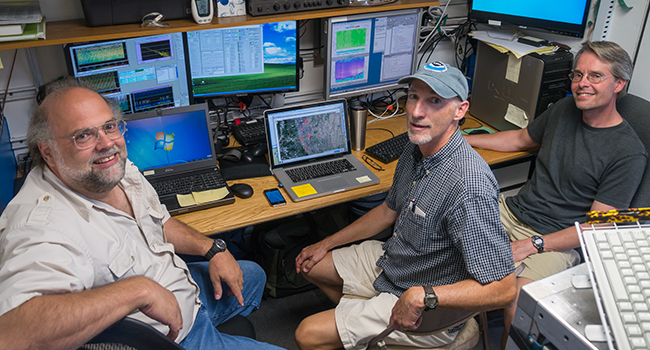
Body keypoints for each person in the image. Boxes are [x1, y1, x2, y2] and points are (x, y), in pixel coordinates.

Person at [0, 79, 284, 350]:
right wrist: (139, 291)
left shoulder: (113, 170)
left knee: (253, 274)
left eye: (109, 126)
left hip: (178, 286)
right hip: (170, 335)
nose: (106, 144)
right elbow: (12, 336)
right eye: (83, 135)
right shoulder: (42, 226)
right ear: (47, 152)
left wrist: (213, 249)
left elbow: (159, 221)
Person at [293, 61, 517, 350]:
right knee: (311, 264)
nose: (416, 112)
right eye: (413, 96)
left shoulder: (468, 186)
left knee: (307, 334)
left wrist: (425, 296)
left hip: (428, 296)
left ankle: (400, 334)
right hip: (398, 263)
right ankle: (371, 334)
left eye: (434, 101)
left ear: (460, 110)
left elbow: (505, 290)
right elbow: (388, 210)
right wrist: (326, 243)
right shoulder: (415, 147)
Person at [464, 40, 648, 348]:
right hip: (511, 213)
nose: (582, 84)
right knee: (439, 238)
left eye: (595, 76)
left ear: (619, 84)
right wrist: (466, 141)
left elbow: (595, 228)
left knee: (518, 306)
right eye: (578, 75)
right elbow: (521, 139)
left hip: (555, 242)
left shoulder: (628, 153)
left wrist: (534, 244)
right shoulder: (564, 109)